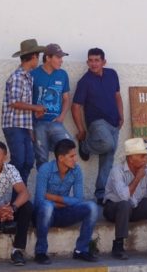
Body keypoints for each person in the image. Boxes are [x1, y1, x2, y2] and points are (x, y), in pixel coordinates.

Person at [103, 138, 147, 259]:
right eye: (142, 156)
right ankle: (118, 246)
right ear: (130, 159)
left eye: (146, 156)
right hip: (114, 209)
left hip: (134, 207)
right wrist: (138, 178)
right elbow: (124, 196)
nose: (146, 159)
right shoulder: (117, 171)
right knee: (125, 204)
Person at [33, 139, 98, 264]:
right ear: (61, 158)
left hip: (63, 213)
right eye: (72, 156)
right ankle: (40, 252)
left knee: (92, 207)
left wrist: (53, 198)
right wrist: (62, 203)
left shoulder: (76, 170)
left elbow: (79, 199)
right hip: (44, 215)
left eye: (75, 156)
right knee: (46, 207)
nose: (75, 159)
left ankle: (81, 250)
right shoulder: (45, 169)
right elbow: (40, 201)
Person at [71, 47, 124, 205]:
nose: (93, 64)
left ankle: (101, 194)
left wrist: (121, 115)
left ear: (103, 62)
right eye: (90, 60)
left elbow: (117, 96)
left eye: (97, 60)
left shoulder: (112, 74)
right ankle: (86, 146)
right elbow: (75, 107)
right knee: (109, 144)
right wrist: (81, 130)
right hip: (96, 122)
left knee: (108, 158)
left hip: (114, 122)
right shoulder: (84, 81)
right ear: (87, 62)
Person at [2, 39, 47, 184]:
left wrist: (30, 129)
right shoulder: (18, 77)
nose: (38, 60)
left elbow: (23, 104)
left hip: (23, 126)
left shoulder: (28, 77)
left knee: (28, 162)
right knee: (19, 161)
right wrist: (36, 107)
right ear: (33, 57)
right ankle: (2, 188)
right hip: (14, 125)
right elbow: (14, 102)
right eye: (38, 56)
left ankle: (20, 198)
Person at [31, 43, 72, 169]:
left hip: (55, 123)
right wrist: (30, 128)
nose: (61, 61)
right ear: (48, 58)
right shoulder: (34, 74)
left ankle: (60, 185)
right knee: (42, 159)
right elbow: (26, 101)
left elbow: (66, 99)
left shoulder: (63, 74)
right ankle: (44, 188)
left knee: (69, 149)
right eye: (58, 57)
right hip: (38, 124)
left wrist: (61, 117)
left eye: (62, 57)